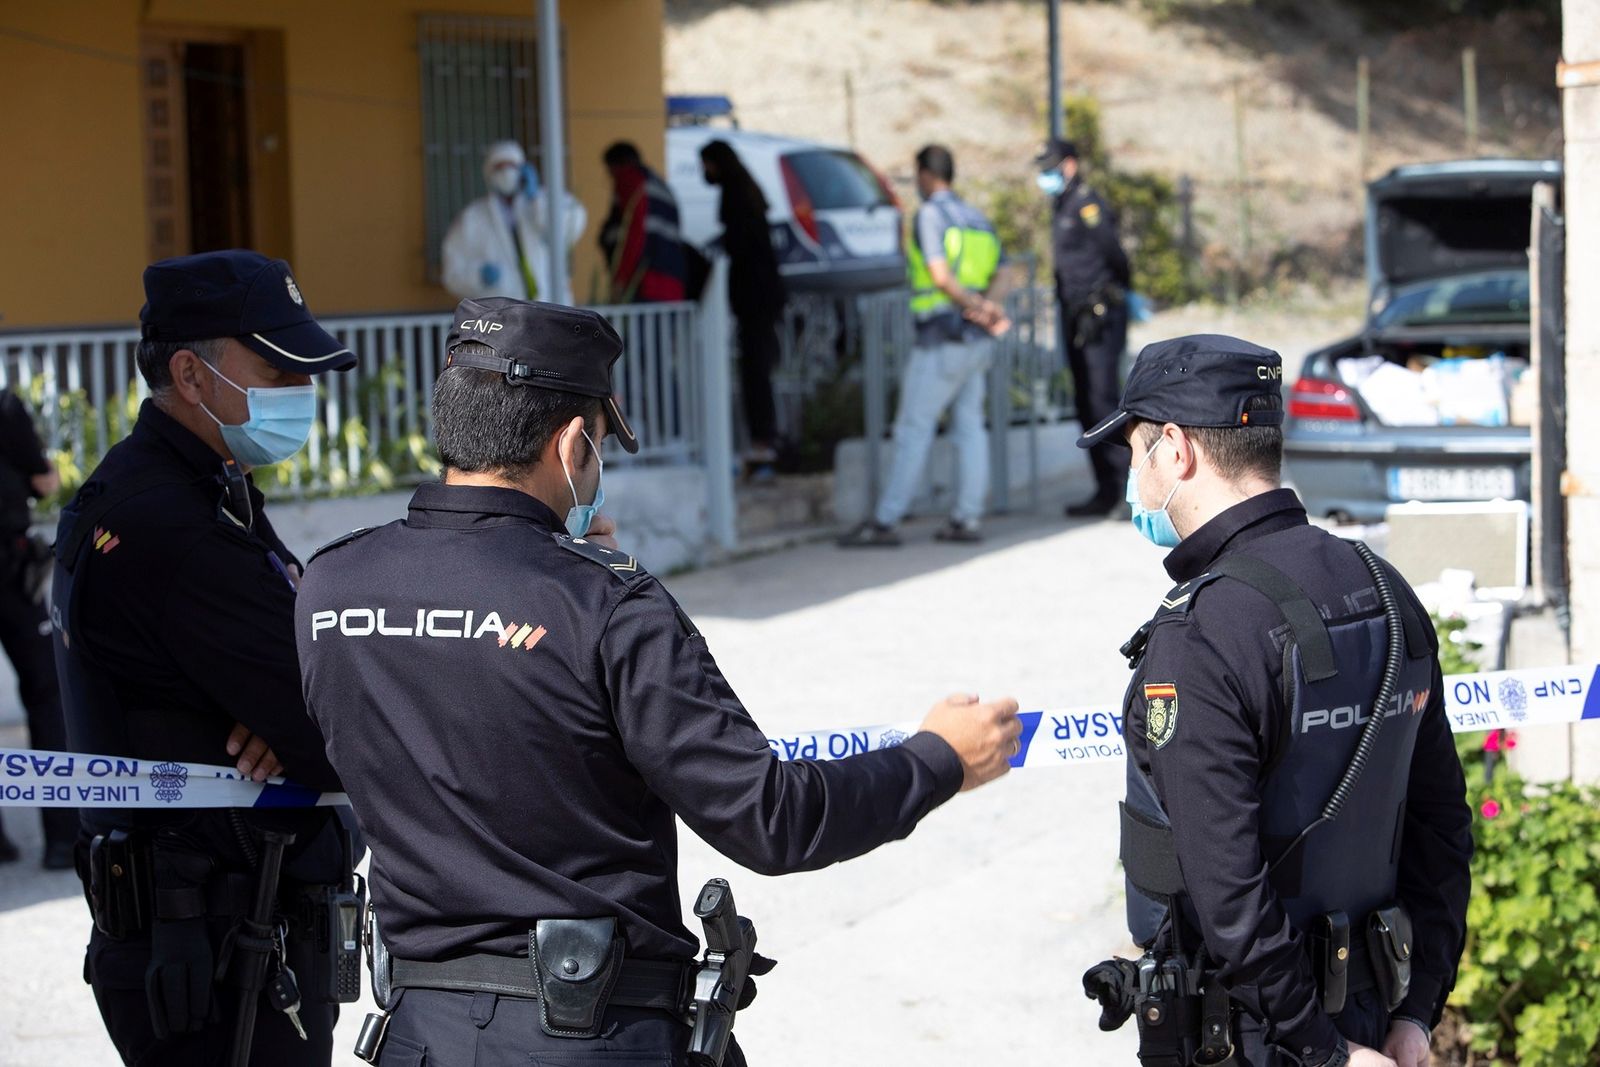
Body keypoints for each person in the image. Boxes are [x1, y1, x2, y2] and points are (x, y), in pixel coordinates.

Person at [295, 296, 1022, 1065]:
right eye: (603, 444)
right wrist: (937, 757)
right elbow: (770, 816)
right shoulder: (605, 605)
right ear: (574, 444)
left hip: (418, 1037)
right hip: (591, 1036)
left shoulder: (331, 584)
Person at [1079, 335, 1471, 1067]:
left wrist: (1327, 1053)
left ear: (1176, 448)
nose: (1133, 473)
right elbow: (1442, 830)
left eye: (1135, 451)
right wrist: (1417, 1012)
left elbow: (1227, 893)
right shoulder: (1386, 589)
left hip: (1256, 1037)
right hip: (1376, 1015)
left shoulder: (1203, 635)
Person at [52, 249, 362, 1066]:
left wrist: (299, 693)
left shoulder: (195, 485)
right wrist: (301, 707)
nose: (301, 395)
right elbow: (333, 720)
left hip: (230, 936)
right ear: (191, 374)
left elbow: (309, 677)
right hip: (218, 952)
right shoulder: (169, 526)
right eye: (279, 371)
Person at [838, 144, 1008, 548]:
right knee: (970, 429)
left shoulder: (931, 215)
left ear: (926, 175)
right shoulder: (976, 216)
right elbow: (1005, 270)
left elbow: (939, 275)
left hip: (940, 338)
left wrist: (972, 305)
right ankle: (966, 519)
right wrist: (990, 308)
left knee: (912, 428)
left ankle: (885, 521)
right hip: (976, 341)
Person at [1038, 138, 1133, 518]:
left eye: (1051, 167)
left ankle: (1129, 491)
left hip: (1098, 313)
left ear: (1070, 165)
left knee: (1103, 401)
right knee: (1084, 403)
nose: (1045, 175)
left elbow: (1113, 253)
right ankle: (1104, 491)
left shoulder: (1087, 203)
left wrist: (1121, 290)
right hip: (1074, 315)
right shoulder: (1062, 203)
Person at [0, 388, 75, 868]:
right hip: (8, 568)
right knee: (48, 696)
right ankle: (63, 840)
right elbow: (46, 482)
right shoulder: (6, 408)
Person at [700, 139, 785, 475]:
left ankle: (764, 441)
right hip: (760, 297)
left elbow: (742, 245)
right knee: (757, 369)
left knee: (755, 370)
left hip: (755, 299)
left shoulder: (735, 194)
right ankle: (764, 439)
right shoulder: (744, 192)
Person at [441, 140, 588, 306]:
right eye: (499, 167)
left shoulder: (545, 201)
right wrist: (478, 276)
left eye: (511, 166)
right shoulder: (472, 218)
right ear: (488, 173)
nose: (506, 172)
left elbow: (570, 226)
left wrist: (536, 199)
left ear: (523, 170)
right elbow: (452, 273)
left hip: (550, 304)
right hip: (503, 313)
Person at [598, 141, 688, 304]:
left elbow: (632, 232)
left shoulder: (630, 179)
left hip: (646, 282)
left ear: (617, 166)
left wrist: (621, 279)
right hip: (673, 283)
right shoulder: (659, 185)